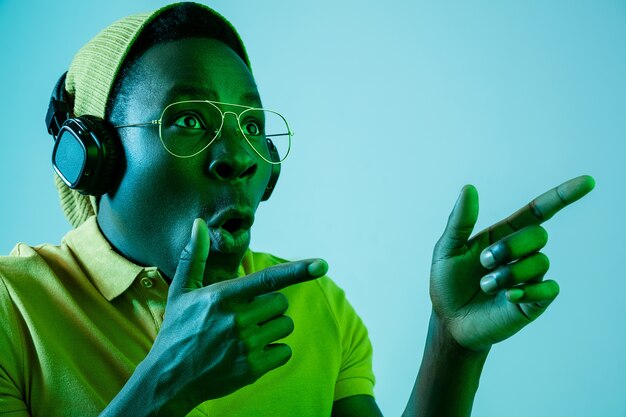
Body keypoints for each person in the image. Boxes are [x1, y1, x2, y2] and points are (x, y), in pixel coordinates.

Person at [0, 2, 595, 416]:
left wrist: (453, 343)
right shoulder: (13, 308)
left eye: (253, 126)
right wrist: (164, 385)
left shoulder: (317, 306)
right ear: (94, 158)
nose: (237, 156)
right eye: (187, 121)